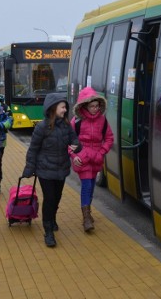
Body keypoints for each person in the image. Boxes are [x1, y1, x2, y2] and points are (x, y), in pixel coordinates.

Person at [21, 93, 81, 247]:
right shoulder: (42, 127)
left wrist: (77, 146)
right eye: (62, 107)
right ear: (53, 108)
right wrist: (29, 168)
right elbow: (33, 149)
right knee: (49, 198)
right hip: (45, 169)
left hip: (61, 168)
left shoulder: (66, 125)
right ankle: (48, 231)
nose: (65, 109)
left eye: (65, 107)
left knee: (57, 197)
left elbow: (75, 140)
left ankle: (52, 218)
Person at [70, 87, 114, 232]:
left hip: (96, 159)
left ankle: (88, 212)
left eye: (97, 106)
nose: (95, 109)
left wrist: (102, 152)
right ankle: (86, 218)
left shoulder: (103, 121)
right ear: (84, 106)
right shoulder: (76, 121)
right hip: (82, 158)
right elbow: (68, 140)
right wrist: (74, 156)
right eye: (92, 106)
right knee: (86, 186)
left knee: (91, 187)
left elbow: (109, 138)